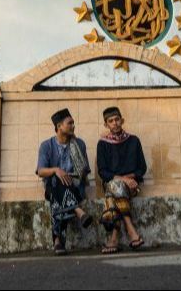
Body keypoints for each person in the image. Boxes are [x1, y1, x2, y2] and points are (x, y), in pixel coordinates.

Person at [36, 108, 94, 255]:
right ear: (59, 126)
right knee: (57, 180)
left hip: (75, 187)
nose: (73, 126)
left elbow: (85, 170)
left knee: (57, 198)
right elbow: (41, 171)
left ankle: (57, 242)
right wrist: (56, 170)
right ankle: (77, 211)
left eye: (73, 123)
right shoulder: (46, 146)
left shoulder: (79, 144)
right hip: (53, 186)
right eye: (70, 123)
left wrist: (73, 172)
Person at [96, 106, 147, 254]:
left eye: (117, 119)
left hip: (131, 186)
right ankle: (131, 231)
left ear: (122, 120)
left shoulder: (134, 141)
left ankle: (114, 239)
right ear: (106, 125)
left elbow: (142, 168)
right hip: (115, 184)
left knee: (112, 192)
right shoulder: (103, 144)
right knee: (115, 186)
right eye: (110, 121)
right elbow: (103, 172)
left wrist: (129, 179)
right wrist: (123, 179)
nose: (115, 123)